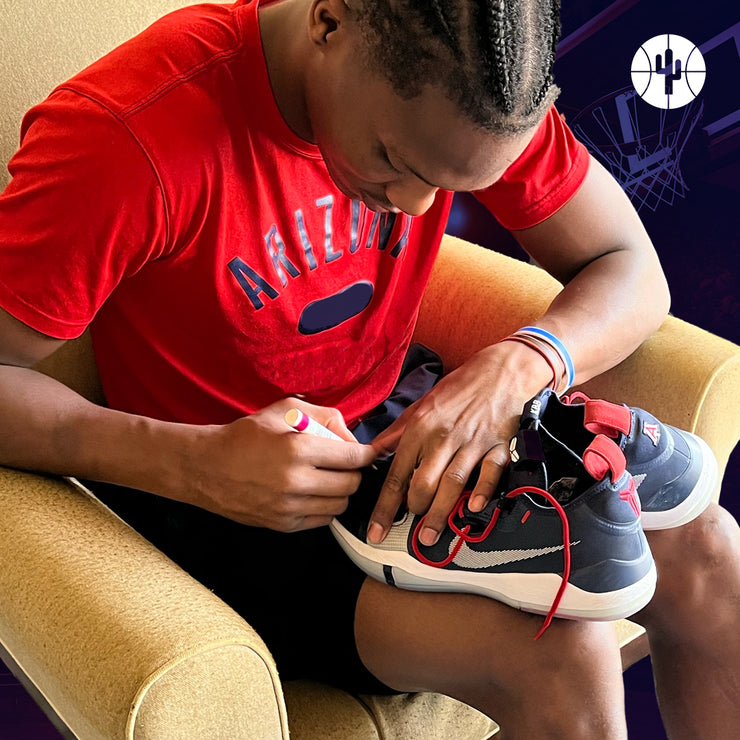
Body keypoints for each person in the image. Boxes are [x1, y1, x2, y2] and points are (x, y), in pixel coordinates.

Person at [0, 1, 737, 737]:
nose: (417, 206)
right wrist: (195, 464)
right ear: (329, 22)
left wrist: (524, 362)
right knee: (565, 650)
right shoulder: (128, 137)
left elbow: (630, 266)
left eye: (450, 184)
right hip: (223, 497)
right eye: (393, 160)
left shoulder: (478, 88)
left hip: (395, 420)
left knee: (709, 550)